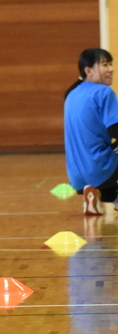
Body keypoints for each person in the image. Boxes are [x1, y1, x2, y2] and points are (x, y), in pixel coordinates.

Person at [64, 48, 118, 216]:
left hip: (76, 177)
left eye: (111, 64)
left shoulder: (71, 94)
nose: (111, 69)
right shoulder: (103, 92)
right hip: (99, 168)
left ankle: (93, 193)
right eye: (104, 65)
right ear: (88, 71)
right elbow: (116, 129)